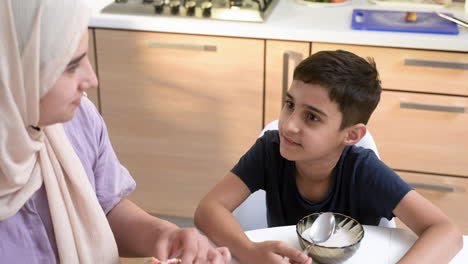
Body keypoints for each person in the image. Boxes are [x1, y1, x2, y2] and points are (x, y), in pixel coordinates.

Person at [0, 0, 230, 263]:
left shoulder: (78, 118)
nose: (91, 80)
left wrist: (165, 236)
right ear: (12, 71)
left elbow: (105, 209)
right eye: (71, 66)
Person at [194, 50, 463, 264]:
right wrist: (249, 251)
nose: (288, 125)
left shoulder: (364, 170)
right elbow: (209, 209)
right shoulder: (270, 150)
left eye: (311, 117)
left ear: (351, 135)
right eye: (290, 105)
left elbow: (446, 232)